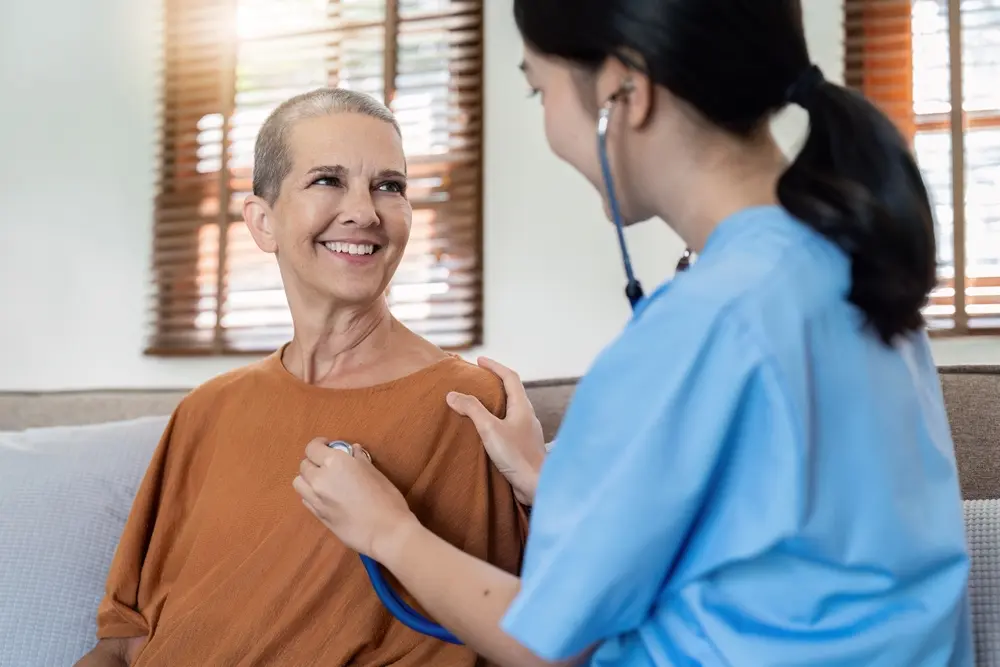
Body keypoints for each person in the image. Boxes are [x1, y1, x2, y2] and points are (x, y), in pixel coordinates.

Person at [291, 1, 975, 665]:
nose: (551, 129)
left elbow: (547, 643)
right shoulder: (851, 268)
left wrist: (389, 529)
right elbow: (779, 526)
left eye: (540, 93)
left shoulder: (699, 328)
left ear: (625, 90)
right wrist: (548, 476)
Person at [75, 88, 527, 667]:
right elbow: (118, 644)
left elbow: (514, 639)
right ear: (263, 223)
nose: (364, 211)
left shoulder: (469, 407)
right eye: (327, 180)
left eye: (389, 186)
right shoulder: (206, 412)